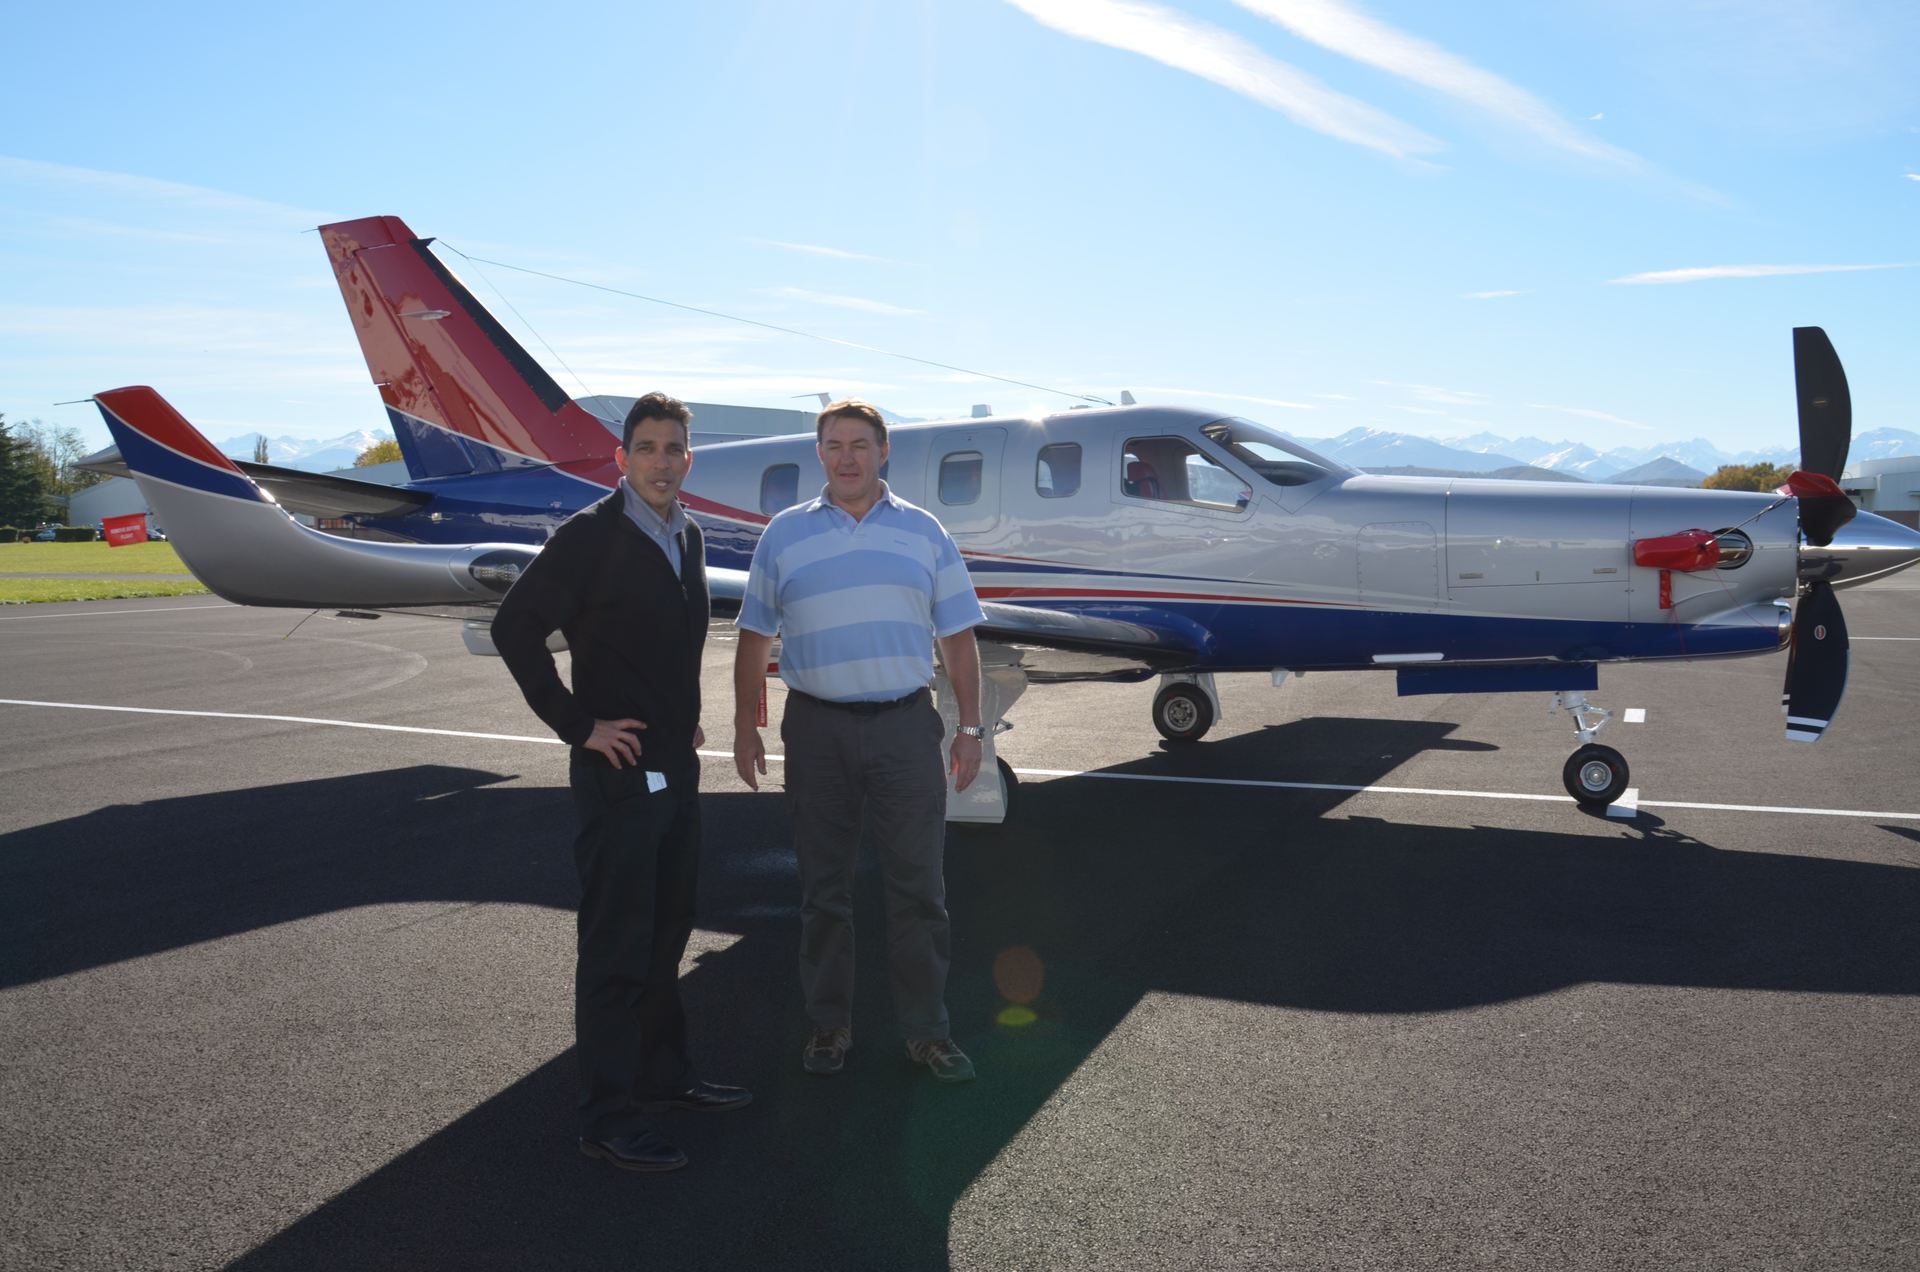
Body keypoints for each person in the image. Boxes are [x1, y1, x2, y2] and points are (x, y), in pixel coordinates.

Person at [493, 391, 750, 1174]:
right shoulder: (589, 536)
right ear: (622, 458)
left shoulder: (687, 534)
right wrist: (579, 725)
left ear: (688, 459)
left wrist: (684, 720)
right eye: (646, 448)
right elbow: (514, 627)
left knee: (670, 924)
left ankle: (662, 1075)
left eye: (673, 449)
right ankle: (606, 1116)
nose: (661, 462)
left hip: (674, 763)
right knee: (616, 942)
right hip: (618, 772)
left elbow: (669, 644)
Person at [731, 398, 987, 1083]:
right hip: (817, 730)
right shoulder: (783, 534)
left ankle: (928, 1033)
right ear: (819, 453)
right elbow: (754, 637)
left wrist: (970, 729)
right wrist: (744, 726)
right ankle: (829, 1025)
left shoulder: (924, 531)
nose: (847, 457)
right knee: (824, 890)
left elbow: (957, 637)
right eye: (835, 445)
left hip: (906, 727)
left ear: (883, 452)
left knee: (920, 889)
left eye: (860, 445)